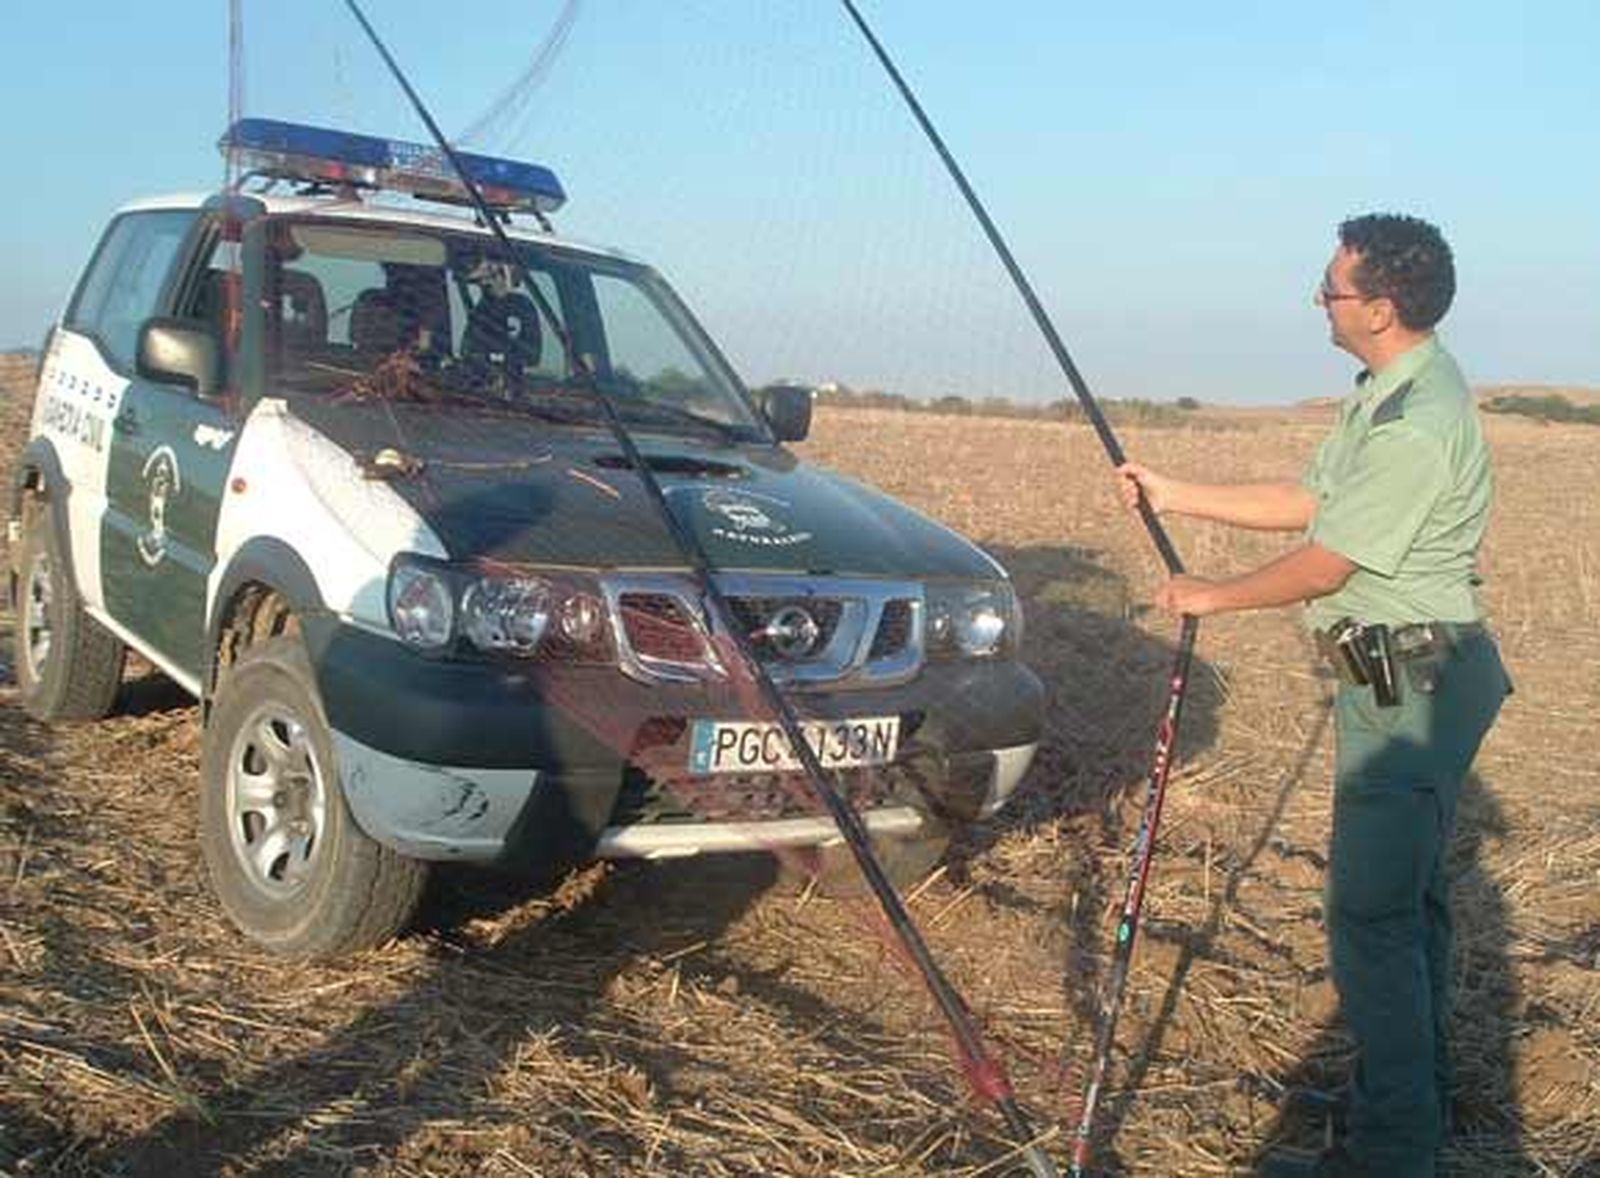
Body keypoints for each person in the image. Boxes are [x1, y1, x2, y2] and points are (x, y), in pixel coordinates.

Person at [1115, 213, 1511, 1178]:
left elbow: (1328, 563)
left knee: (1372, 919)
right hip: (1405, 674)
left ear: (1380, 307)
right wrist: (1177, 493)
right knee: (1407, 908)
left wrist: (1212, 594)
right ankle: (1407, 1099)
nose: (1318, 301)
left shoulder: (1417, 422)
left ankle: (1390, 1153)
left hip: (1410, 682)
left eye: (1330, 289)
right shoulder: (1386, 393)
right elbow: (1314, 502)